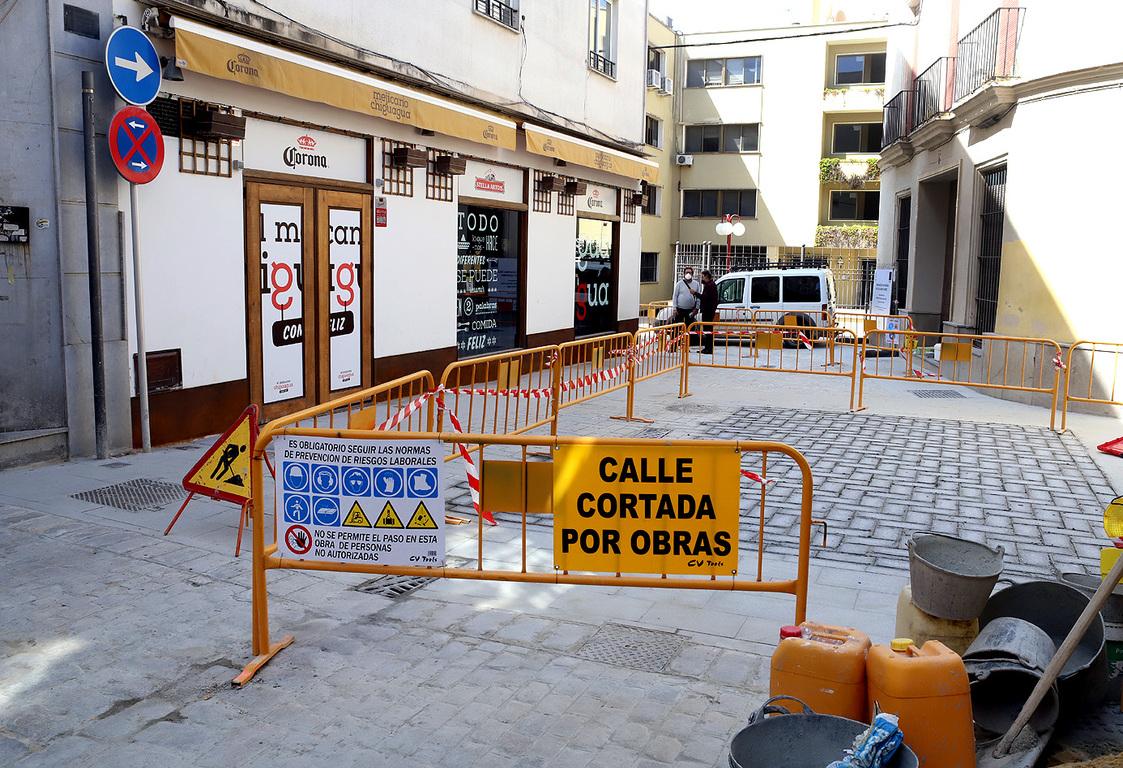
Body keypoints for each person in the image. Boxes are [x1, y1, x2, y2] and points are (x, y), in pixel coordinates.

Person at [699, 270, 719, 354]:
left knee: (708, 330)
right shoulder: (710, 285)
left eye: (702, 276)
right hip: (709, 310)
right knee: (707, 330)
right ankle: (707, 348)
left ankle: (708, 348)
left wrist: (695, 293)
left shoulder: (710, 286)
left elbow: (705, 297)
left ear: (706, 276)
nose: (701, 278)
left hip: (708, 311)